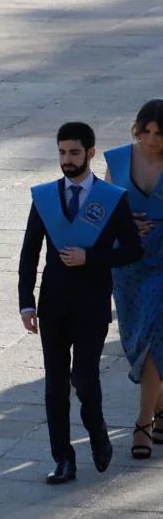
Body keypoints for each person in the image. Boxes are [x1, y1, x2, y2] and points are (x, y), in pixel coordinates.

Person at [18, 122, 143, 484]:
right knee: (55, 383)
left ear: (90, 153)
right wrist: (26, 303)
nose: (66, 160)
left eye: (74, 152)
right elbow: (30, 253)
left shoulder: (111, 198)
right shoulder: (44, 197)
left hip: (91, 303)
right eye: (61, 152)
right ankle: (63, 459)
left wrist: (91, 258)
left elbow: (132, 249)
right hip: (53, 304)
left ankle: (97, 429)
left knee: (84, 375)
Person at [105, 99, 163, 460]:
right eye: (147, 131)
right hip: (128, 262)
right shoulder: (116, 160)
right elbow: (106, 210)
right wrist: (125, 226)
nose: (152, 139)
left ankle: (142, 422)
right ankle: (161, 409)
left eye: (159, 133)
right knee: (138, 338)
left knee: (158, 331)